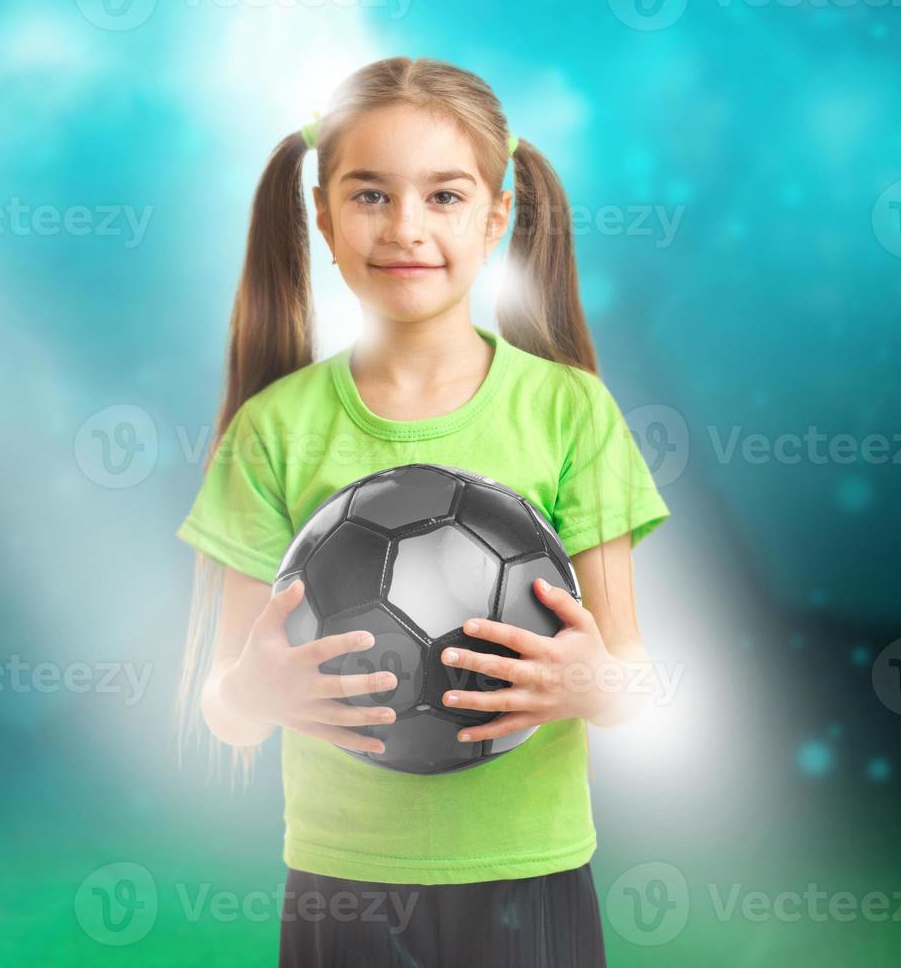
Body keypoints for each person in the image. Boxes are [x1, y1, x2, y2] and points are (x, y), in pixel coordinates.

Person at [175, 56, 671, 968]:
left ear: (496, 215)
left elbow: (633, 674)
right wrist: (255, 693)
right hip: (342, 883)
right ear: (322, 217)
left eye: (444, 196)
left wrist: (593, 685)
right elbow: (226, 706)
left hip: (530, 875)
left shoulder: (571, 412)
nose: (406, 228)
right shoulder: (274, 429)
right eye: (370, 195)